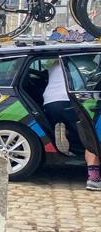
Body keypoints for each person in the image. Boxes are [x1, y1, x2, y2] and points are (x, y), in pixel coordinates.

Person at [43, 58, 100, 190]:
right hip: (69, 99)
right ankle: (94, 178)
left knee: (78, 130)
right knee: (90, 137)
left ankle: (67, 137)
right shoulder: (89, 64)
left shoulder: (55, 63)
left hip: (49, 101)